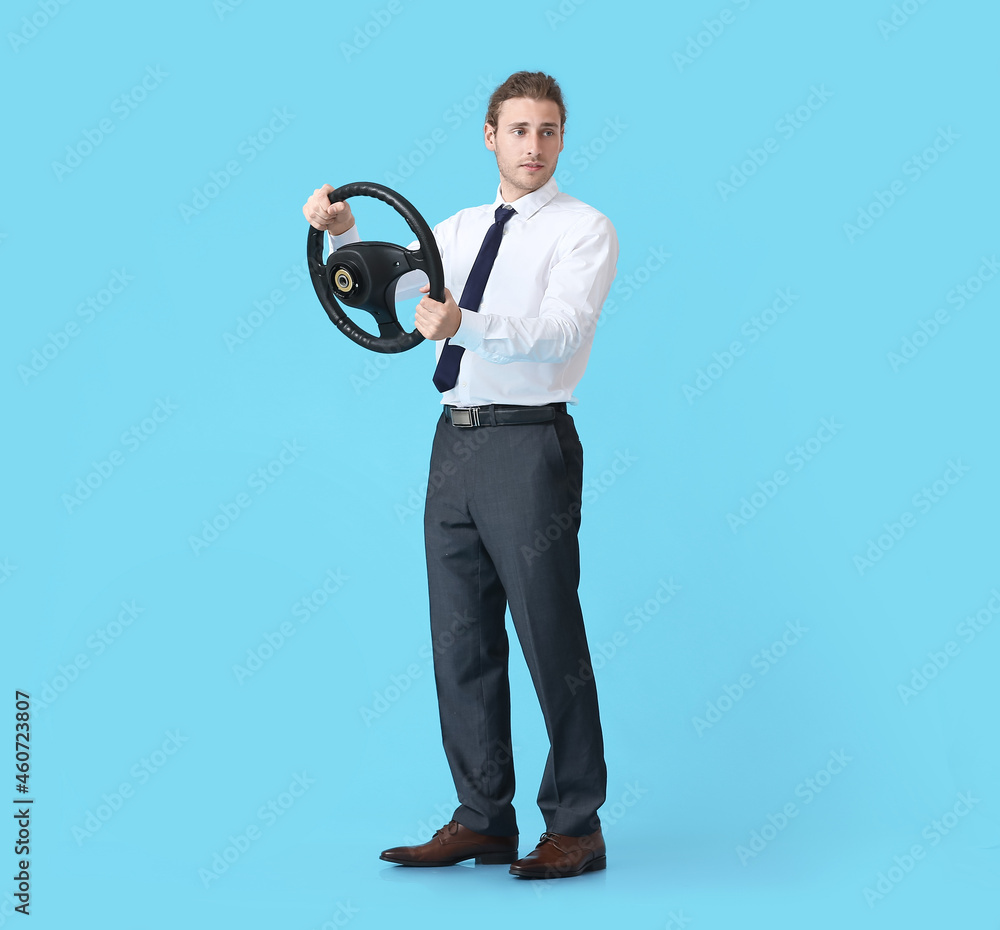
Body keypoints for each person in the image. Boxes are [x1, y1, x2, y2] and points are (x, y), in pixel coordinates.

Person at [302, 71, 618, 880]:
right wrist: (342, 237)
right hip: (456, 443)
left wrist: (465, 323)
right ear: (490, 136)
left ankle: (576, 824)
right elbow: (401, 284)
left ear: (561, 139)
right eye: (520, 130)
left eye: (549, 131)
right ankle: (484, 817)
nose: (535, 146)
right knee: (461, 640)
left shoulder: (584, 230)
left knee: (550, 636)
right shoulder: (458, 227)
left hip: (528, 445)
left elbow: (560, 331)